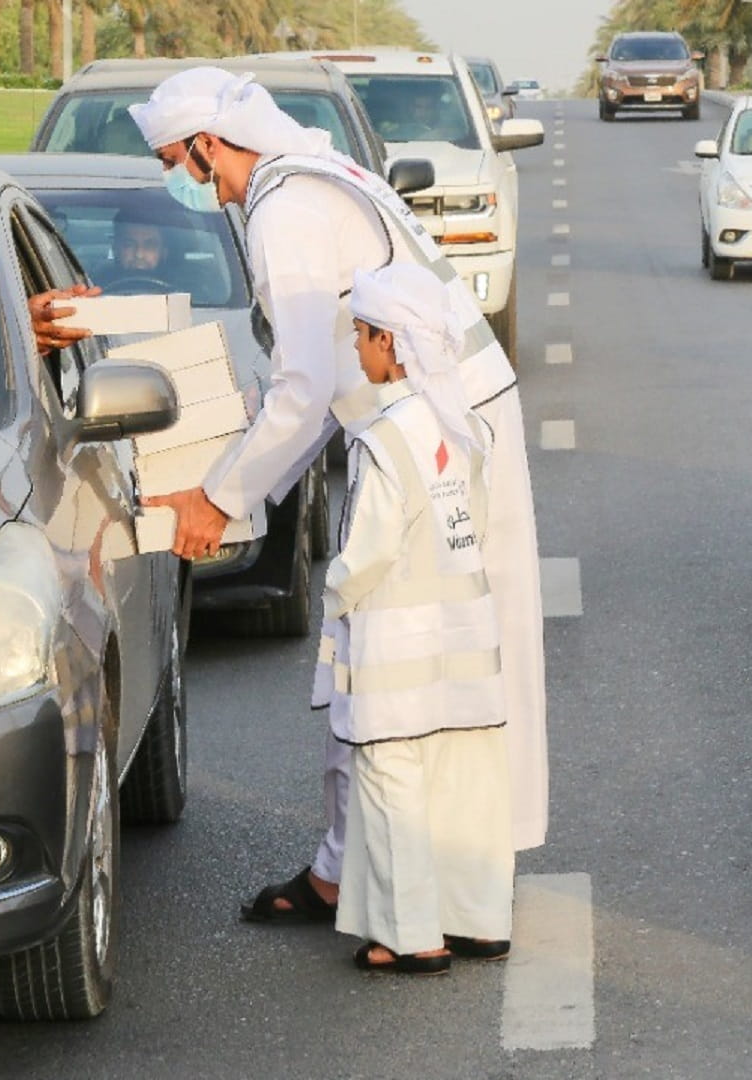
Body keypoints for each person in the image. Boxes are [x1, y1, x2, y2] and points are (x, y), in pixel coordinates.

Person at [126, 68, 549, 926]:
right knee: (384, 657)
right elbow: (315, 381)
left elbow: (306, 385)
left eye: (177, 160)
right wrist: (237, 484)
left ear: (211, 144)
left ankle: (452, 872)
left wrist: (219, 499)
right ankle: (356, 867)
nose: (177, 180)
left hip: (439, 434)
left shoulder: (286, 209)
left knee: (416, 657)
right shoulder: (306, 176)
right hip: (421, 425)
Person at [323, 261, 513, 974]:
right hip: (466, 640)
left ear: (392, 344)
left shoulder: (383, 440)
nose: (357, 350)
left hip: (396, 647)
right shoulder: (463, 430)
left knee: (392, 782)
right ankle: (480, 922)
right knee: (466, 777)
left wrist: (334, 593)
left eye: (363, 336)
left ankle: (411, 936)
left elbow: (366, 551)